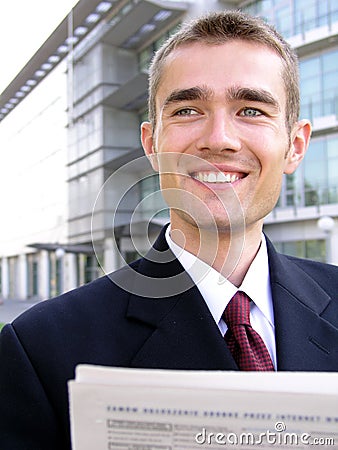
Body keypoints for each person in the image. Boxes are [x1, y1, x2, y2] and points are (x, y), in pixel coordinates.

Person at [1, 10, 338, 450]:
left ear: (294, 147)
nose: (219, 139)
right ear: (152, 145)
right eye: (188, 109)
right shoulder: (40, 349)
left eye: (251, 110)